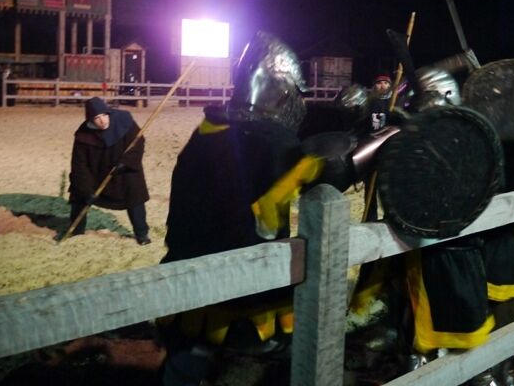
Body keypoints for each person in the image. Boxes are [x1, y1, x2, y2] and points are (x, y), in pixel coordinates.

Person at [158, 31, 323, 386]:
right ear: (280, 90)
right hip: (246, 285)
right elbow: (323, 170)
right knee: (252, 364)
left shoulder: (206, 131)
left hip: (188, 269)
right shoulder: (271, 140)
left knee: (188, 360)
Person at [68, 97, 151, 244]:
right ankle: (76, 230)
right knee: (78, 192)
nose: (102, 121)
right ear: (90, 120)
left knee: (135, 192)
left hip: (123, 170)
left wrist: (127, 162)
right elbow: (79, 165)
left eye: (104, 115)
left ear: (109, 113)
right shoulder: (83, 135)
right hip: (97, 173)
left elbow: (138, 142)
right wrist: (86, 189)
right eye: (97, 118)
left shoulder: (124, 121)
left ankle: (142, 233)